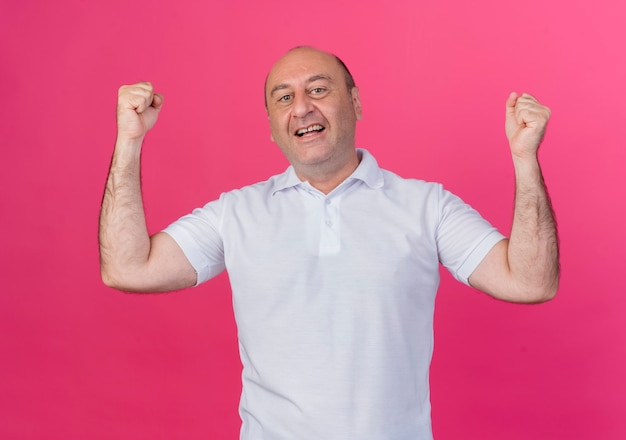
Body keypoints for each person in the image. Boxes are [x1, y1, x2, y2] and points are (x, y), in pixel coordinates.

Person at [99, 46, 559, 440]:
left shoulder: (427, 206)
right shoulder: (234, 213)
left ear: (355, 102)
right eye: (284, 97)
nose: (301, 107)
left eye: (318, 89)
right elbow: (128, 268)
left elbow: (529, 282)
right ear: (271, 124)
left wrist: (524, 159)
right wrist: (129, 140)